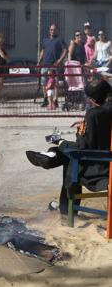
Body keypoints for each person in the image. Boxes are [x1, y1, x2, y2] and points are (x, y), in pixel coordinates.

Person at [26, 79, 112, 215]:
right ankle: (51, 156)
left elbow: (82, 148)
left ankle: (67, 211)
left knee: (71, 158)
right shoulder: (100, 113)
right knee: (68, 153)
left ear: (93, 99)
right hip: (106, 159)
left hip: (101, 168)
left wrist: (66, 139)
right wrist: (88, 126)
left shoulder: (94, 114)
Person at [38, 24, 67, 107]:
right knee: (44, 83)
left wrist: (59, 60)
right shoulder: (45, 40)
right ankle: (45, 99)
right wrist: (39, 61)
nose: (52, 31)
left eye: (54, 30)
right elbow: (42, 51)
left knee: (55, 83)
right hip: (45, 64)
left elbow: (65, 50)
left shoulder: (59, 39)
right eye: (51, 29)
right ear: (49, 30)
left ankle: (55, 100)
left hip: (54, 65)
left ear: (57, 30)